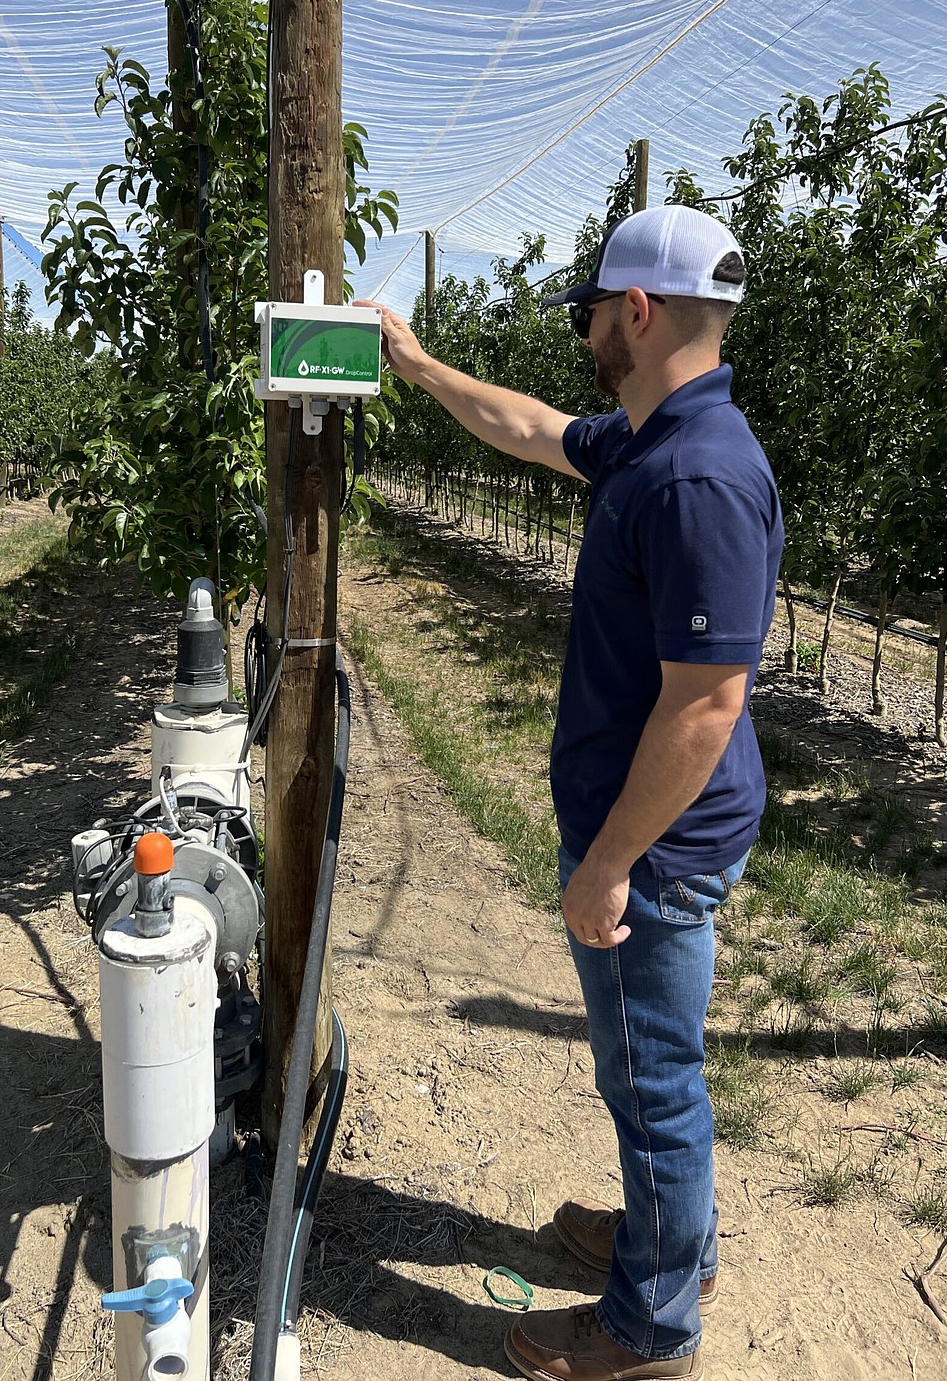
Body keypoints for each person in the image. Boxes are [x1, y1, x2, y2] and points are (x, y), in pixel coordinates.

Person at [358, 204, 783, 1381]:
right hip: (637, 831)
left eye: (594, 311)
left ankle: (652, 1328)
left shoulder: (697, 475)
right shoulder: (651, 436)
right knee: (638, 1068)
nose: (586, 331)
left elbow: (706, 706)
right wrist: (415, 360)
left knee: (653, 1081)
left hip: (654, 846)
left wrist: (609, 864)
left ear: (636, 313)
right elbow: (536, 429)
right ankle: (663, 1237)